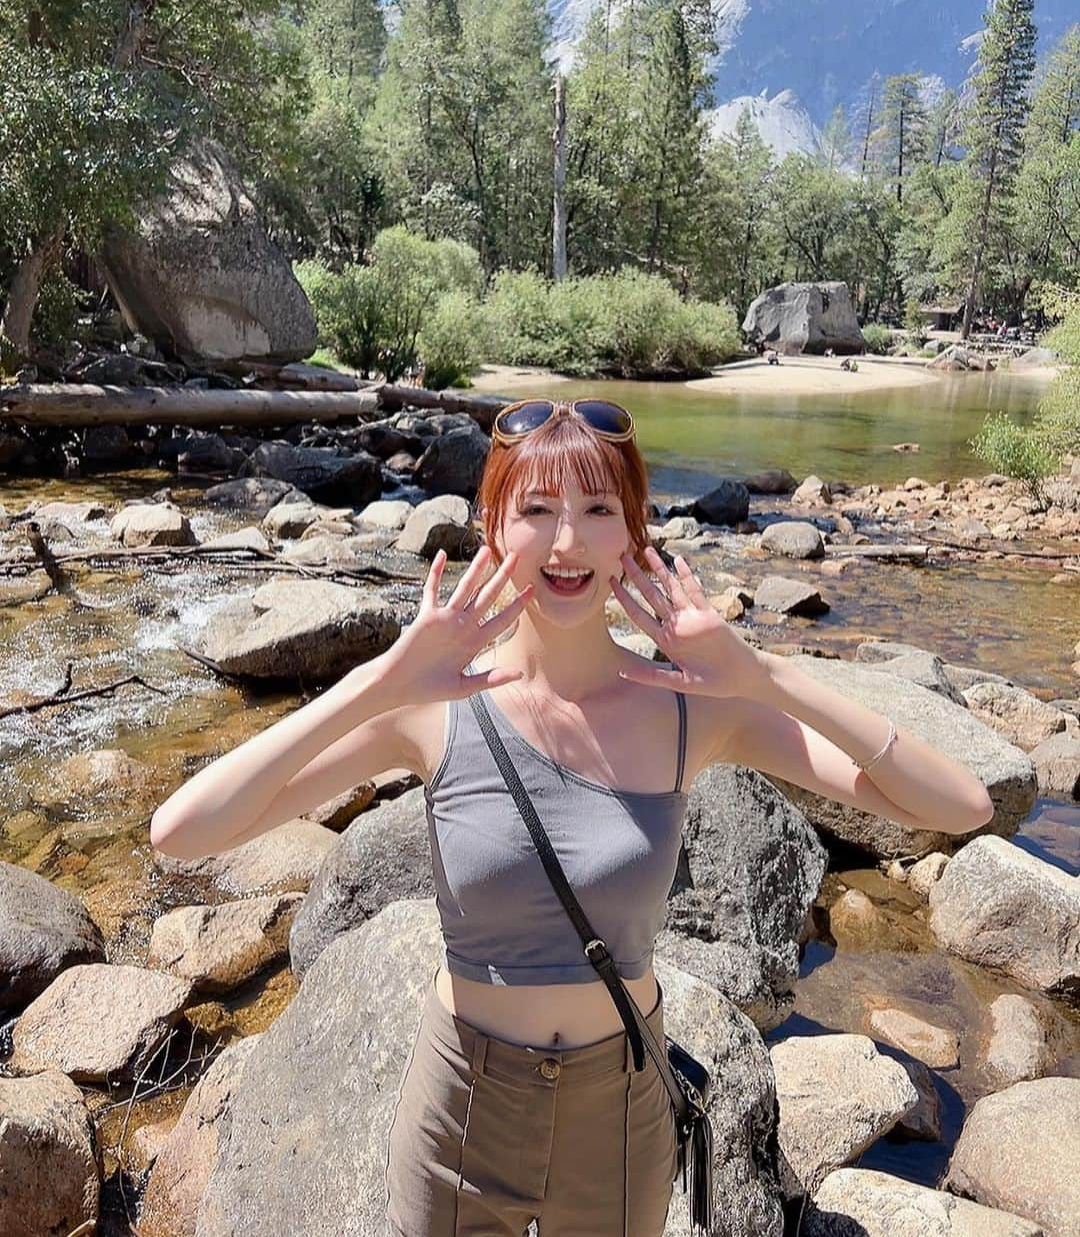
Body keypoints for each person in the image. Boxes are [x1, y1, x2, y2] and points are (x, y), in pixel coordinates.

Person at [150, 398, 994, 1236]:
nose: (566, 542)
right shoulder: (430, 709)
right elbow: (182, 834)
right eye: (539, 510)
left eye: (598, 510)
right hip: (462, 1110)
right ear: (492, 527)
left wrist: (763, 674)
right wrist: (376, 684)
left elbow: (958, 805)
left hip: (618, 1110)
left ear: (635, 531)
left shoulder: (692, 710)